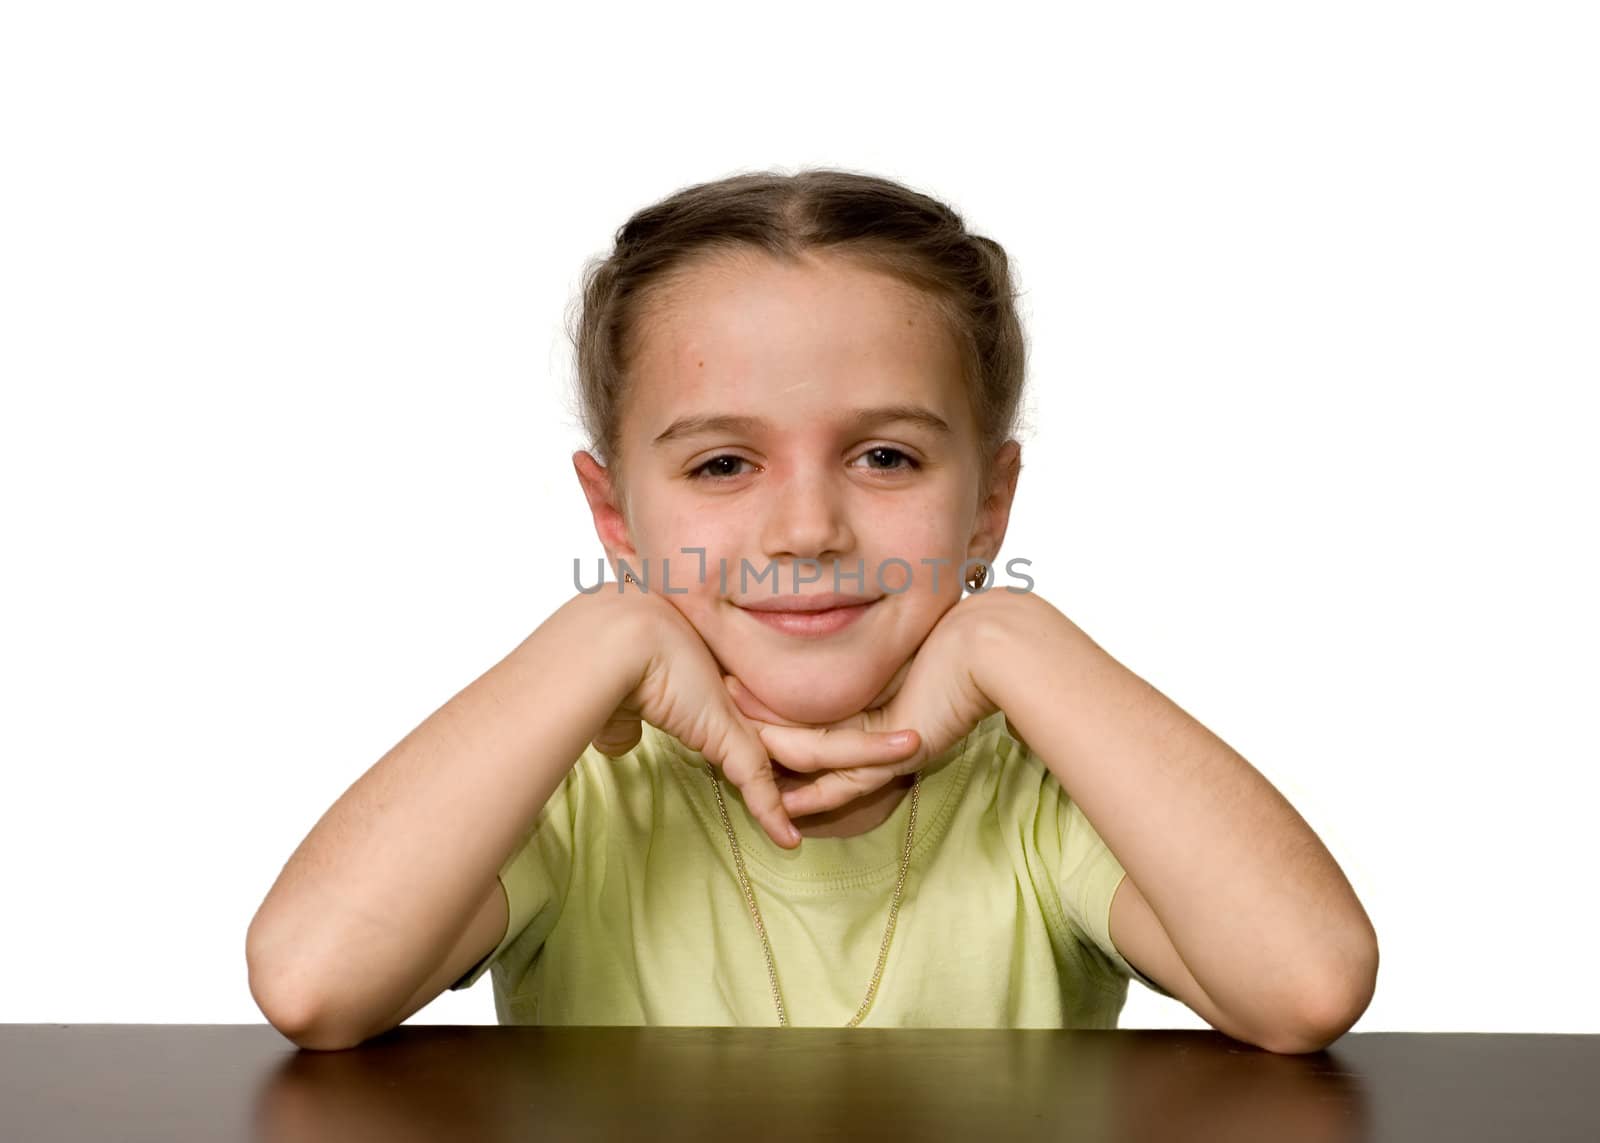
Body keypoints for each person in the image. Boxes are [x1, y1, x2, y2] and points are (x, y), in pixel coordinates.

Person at [246, 168, 1378, 1051]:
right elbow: (312, 983)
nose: (806, 531)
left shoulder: (1044, 784)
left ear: (987, 505)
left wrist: (1014, 637)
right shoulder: (573, 781)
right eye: (723, 465)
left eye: (885, 457)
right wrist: (600, 633)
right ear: (617, 516)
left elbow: (1306, 985)